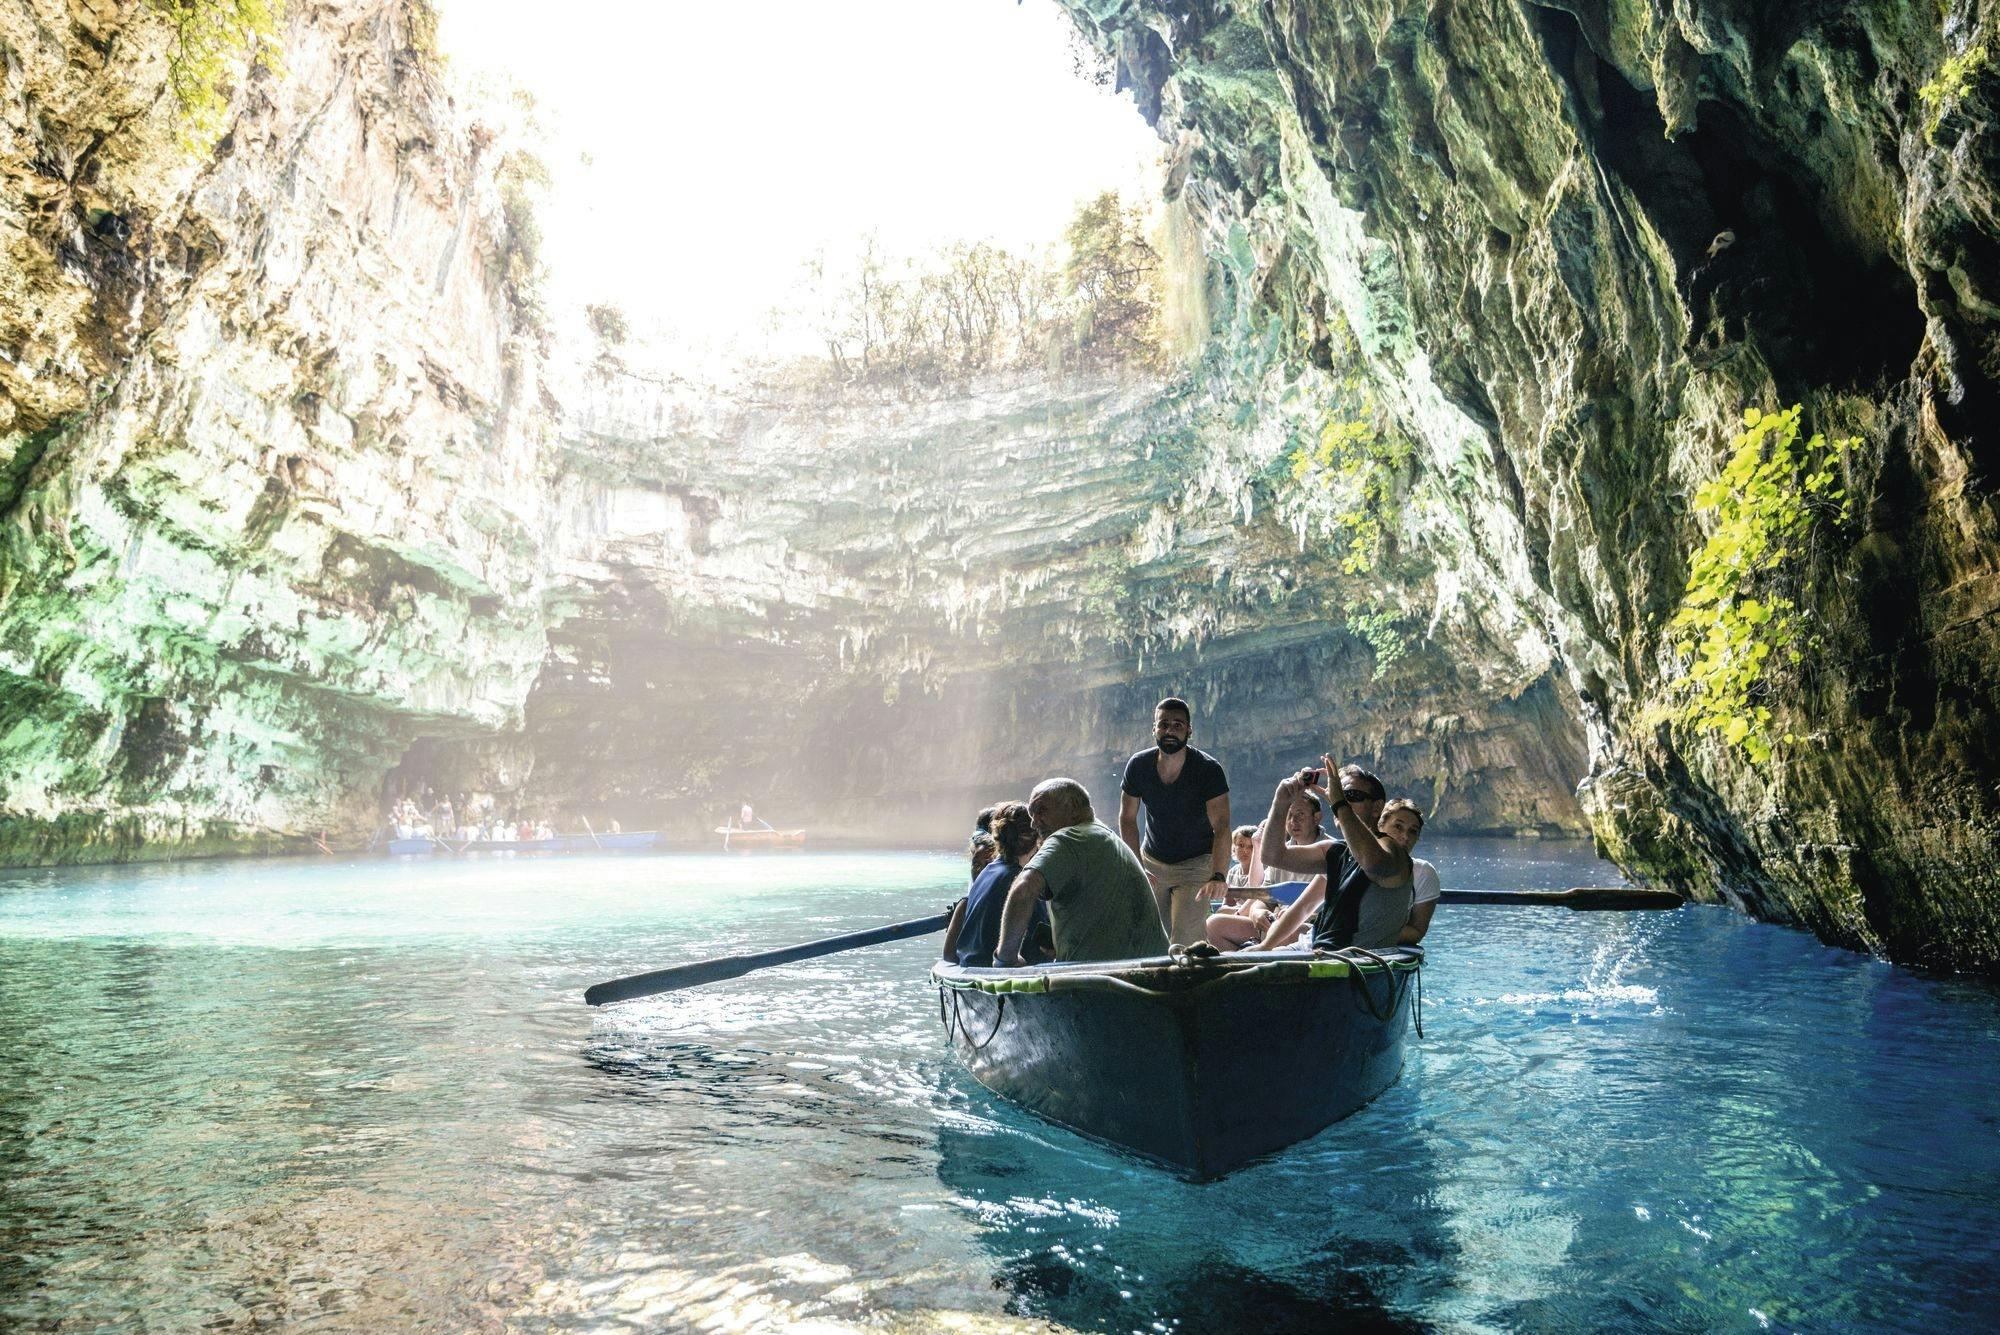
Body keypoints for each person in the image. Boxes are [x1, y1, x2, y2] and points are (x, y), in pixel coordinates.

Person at [995, 779, 1169, 965]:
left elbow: (1023, 889)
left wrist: (1006, 958)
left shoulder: (1067, 838)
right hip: (1156, 970)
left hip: (1110, 980)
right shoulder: (1102, 834)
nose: (1034, 823)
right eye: (1031, 814)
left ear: (1073, 806)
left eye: (1041, 810)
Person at [1249, 758, 1413, 951]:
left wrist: (1339, 803)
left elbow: (1372, 863)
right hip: (1316, 949)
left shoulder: (1393, 851)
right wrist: (1281, 802)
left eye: (1351, 795)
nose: (1340, 800)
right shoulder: (1335, 852)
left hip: (1355, 960)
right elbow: (1272, 856)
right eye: (1339, 794)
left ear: (1377, 808)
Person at [1118, 697, 1232, 947]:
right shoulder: (1138, 765)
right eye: (1164, 725)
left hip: (1196, 864)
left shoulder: (1208, 770)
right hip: (1153, 861)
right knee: (1150, 936)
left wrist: (1219, 875)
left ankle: (1190, 985)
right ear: (1154, 729)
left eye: (1178, 725)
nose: (1170, 730)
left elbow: (1222, 827)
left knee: (1187, 942)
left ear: (1189, 731)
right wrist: (1137, 866)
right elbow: (1127, 819)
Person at [948, 803, 1050, 968]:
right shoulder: (1024, 881)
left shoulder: (987, 872)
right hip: (993, 972)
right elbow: (1042, 947)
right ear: (1038, 840)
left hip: (970, 965)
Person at [1379, 798, 1441, 944]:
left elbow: (1416, 931)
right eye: (1398, 827)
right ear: (1380, 826)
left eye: (1413, 832)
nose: (1405, 837)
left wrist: (1364, 931)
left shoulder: (1422, 873)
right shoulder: (1351, 859)